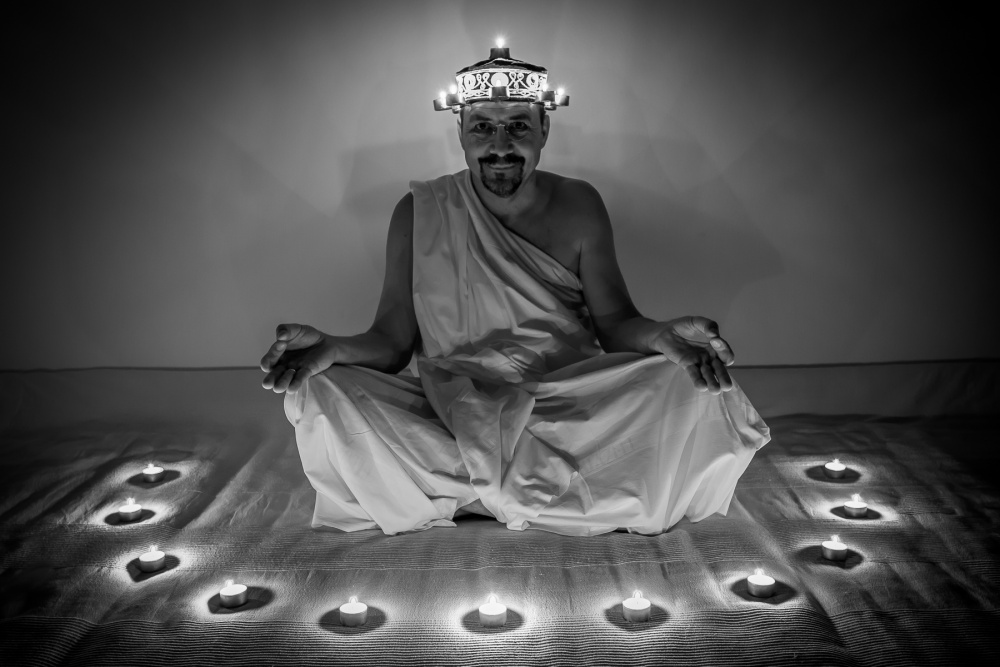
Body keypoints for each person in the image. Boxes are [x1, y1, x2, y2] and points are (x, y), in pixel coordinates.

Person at [260, 44, 769, 537]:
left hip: (563, 405)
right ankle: (537, 488)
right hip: (451, 409)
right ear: (460, 131)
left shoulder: (579, 204)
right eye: (482, 126)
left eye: (518, 126)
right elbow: (392, 343)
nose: (500, 145)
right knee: (324, 387)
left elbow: (616, 325)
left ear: (544, 128)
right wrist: (333, 348)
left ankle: (465, 489)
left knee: (687, 383)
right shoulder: (419, 211)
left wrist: (661, 337)